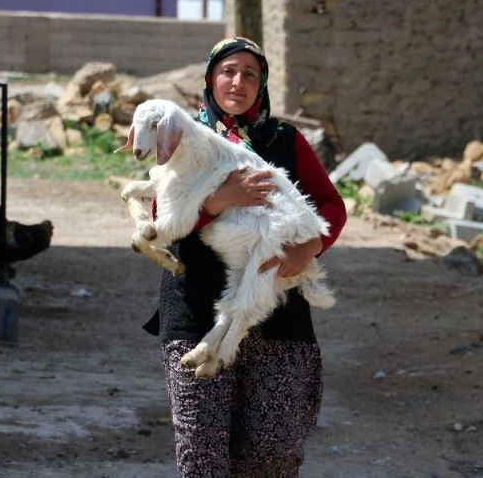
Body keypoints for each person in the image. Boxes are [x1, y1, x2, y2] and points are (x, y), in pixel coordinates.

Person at [143, 36, 347, 477]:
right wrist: (218, 200)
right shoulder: (182, 136)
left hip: (276, 316)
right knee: (202, 455)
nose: (238, 82)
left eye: (250, 74)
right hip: (196, 312)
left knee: (270, 453)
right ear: (210, 79)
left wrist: (310, 246)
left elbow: (331, 205)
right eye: (228, 71)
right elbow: (161, 217)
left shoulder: (285, 141)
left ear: (263, 85)